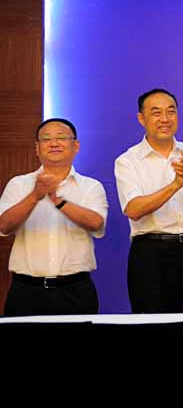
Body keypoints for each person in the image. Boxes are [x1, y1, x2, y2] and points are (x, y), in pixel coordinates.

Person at [115, 88, 183, 313]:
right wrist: (175, 185)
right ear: (141, 118)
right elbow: (134, 209)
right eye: (156, 113)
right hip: (150, 255)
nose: (165, 119)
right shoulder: (128, 161)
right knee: (153, 324)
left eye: (171, 112)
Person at [0, 118, 107, 316]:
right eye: (46, 139)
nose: (54, 143)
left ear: (76, 146)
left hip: (76, 290)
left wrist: (58, 201)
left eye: (61, 138)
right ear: (37, 148)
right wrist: (35, 196)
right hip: (26, 291)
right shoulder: (18, 184)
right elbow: (3, 226)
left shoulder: (91, 186)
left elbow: (96, 223)